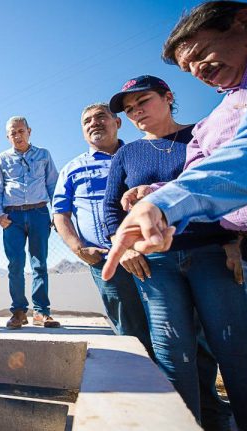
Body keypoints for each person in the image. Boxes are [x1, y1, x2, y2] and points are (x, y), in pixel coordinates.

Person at [106, 74, 247, 430]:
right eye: (128, 110)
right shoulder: (127, 153)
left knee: (235, 350)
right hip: (155, 265)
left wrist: (234, 242)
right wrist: (122, 247)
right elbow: (112, 208)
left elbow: (228, 185)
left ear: (168, 97)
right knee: (174, 354)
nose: (136, 112)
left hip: (212, 255)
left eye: (143, 102)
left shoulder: (203, 135)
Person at [120, 1, 247, 317]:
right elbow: (196, 177)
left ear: (246, 23)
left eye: (199, 53)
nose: (197, 71)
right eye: (188, 68)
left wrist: (163, 204)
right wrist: (155, 193)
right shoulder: (209, 126)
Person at [52, 103, 152, 355]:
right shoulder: (72, 169)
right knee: (130, 332)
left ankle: (195, 393)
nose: (94, 123)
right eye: (87, 121)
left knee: (177, 328)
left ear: (117, 123)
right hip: (106, 261)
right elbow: (60, 214)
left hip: (154, 256)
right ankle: (145, 388)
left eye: (101, 117)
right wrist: (78, 249)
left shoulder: (142, 156)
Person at [0, 116, 60, 329]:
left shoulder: (44, 155)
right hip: (13, 218)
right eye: (13, 133)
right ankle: (19, 312)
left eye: (21, 131)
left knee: (40, 263)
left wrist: (57, 213)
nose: (17, 136)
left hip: (39, 213)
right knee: (15, 265)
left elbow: (53, 184)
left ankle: (41, 312)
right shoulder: (2, 158)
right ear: (7, 136)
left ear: (29, 131)